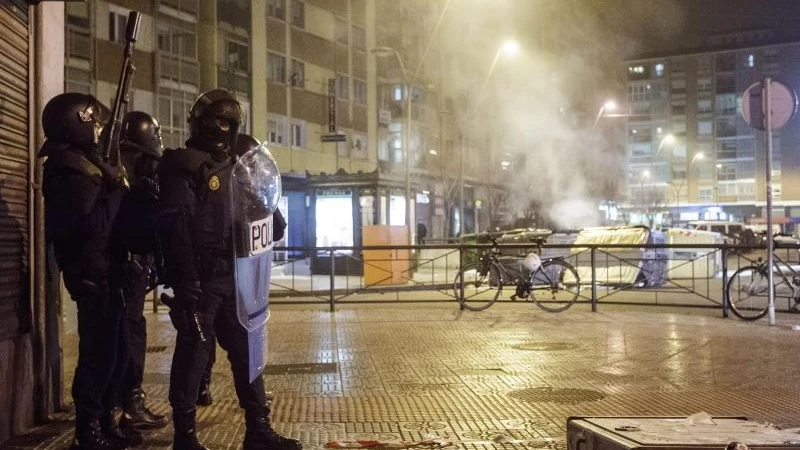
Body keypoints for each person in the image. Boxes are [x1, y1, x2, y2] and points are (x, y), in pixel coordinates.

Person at [157, 89, 300, 450]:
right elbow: (177, 229)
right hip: (201, 279)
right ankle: (185, 437)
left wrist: (262, 201)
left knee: (248, 354)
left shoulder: (240, 169)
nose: (221, 129)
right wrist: (186, 281)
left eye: (228, 123)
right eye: (216, 122)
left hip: (236, 277)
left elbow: (274, 225)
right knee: (194, 355)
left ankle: (258, 430)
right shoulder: (184, 165)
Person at [39, 93, 135, 450]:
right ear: (74, 124)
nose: (98, 130)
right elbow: (91, 226)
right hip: (90, 273)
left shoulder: (84, 162)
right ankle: (87, 429)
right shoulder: (67, 169)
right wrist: (116, 191)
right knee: (98, 354)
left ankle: (105, 417)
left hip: (108, 270)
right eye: (93, 123)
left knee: (117, 351)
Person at [195, 132, 287, 409]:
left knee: (243, 348)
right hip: (216, 280)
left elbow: (277, 229)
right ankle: (197, 399)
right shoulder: (219, 189)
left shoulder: (251, 192)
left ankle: (255, 415)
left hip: (243, 280)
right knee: (200, 345)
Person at [109, 111, 170, 431]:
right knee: (130, 332)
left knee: (123, 332)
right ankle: (130, 402)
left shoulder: (118, 164)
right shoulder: (134, 170)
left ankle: (120, 402)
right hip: (130, 262)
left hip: (125, 262)